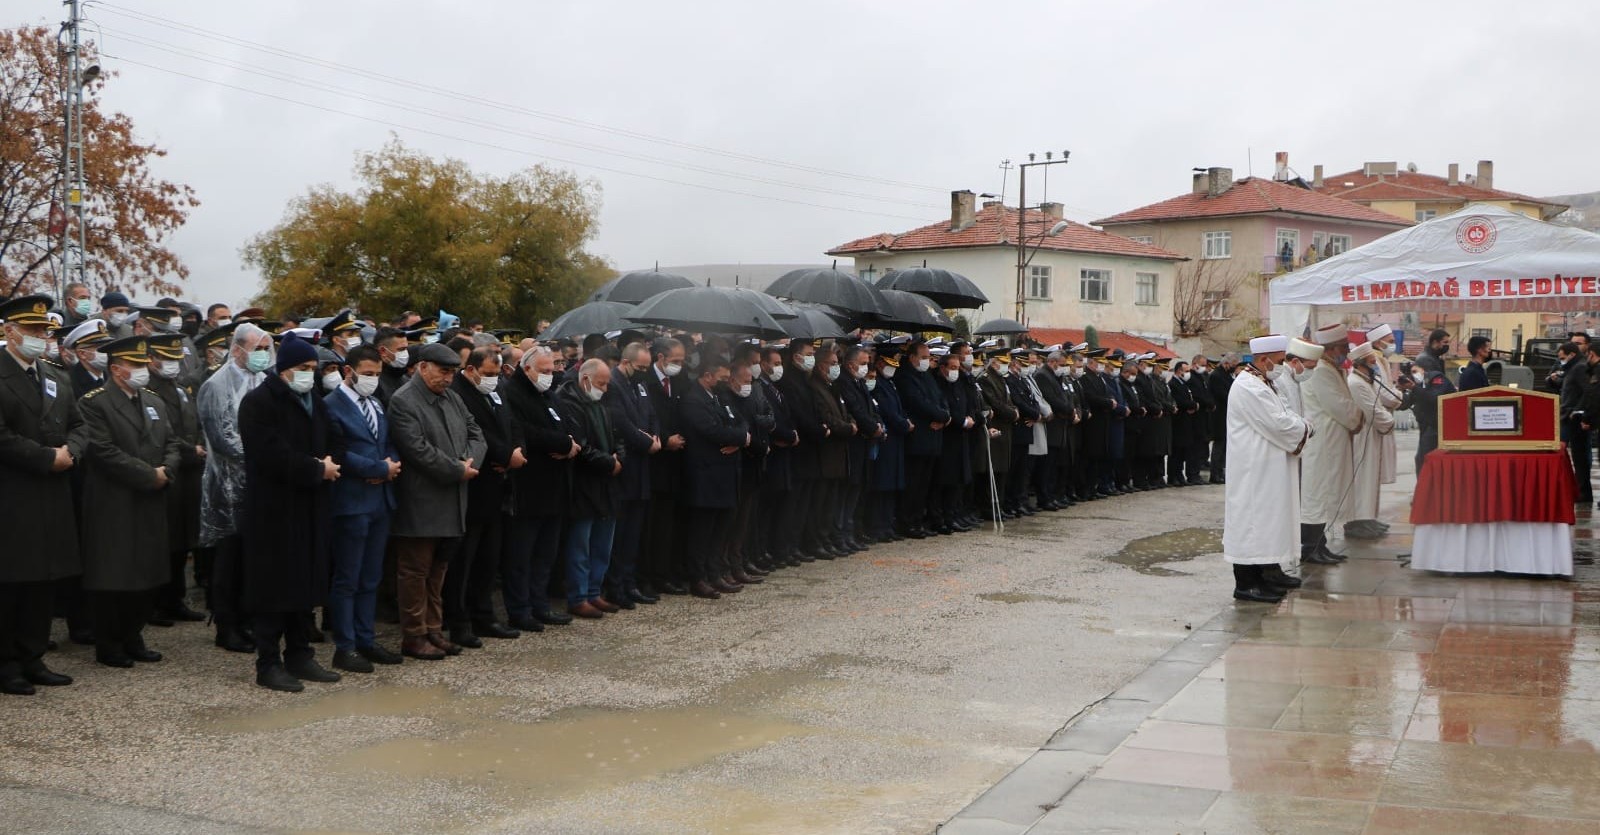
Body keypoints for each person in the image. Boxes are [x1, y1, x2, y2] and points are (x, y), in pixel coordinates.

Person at [236, 334, 343, 692]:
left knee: (305, 580)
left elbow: (334, 435)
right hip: (274, 509)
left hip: (310, 504)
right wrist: (317, 469)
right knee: (274, 585)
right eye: (302, 369)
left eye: (313, 369)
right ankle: (268, 662)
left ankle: (301, 653)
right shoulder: (259, 403)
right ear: (283, 370)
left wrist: (329, 463)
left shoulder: (314, 399)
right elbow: (270, 455)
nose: (309, 376)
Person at [76, 336, 183, 668]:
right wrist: (149, 475)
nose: (142, 370)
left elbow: (171, 441)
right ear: (117, 369)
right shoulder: (94, 403)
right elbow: (104, 451)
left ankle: (133, 635)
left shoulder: (153, 400)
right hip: (114, 500)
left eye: (143, 364)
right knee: (114, 574)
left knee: (147, 572)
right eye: (135, 365)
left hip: (150, 499)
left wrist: (167, 469)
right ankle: (110, 643)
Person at [0, 295, 83, 694]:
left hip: (53, 493)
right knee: (11, 581)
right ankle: (6, 663)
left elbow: (80, 424)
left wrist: (72, 452)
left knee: (43, 581)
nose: (38, 337)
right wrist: (45, 457)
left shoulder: (54, 376)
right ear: (8, 330)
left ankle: (33, 656)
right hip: (13, 495)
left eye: (42, 331)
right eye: (31, 330)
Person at [387, 342, 486, 660]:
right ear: (423, 366)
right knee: (415, 570)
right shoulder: (404, 401)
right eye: (444, 371)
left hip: (454, 497)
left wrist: (471, 462)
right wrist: (456, 470)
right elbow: (417, 450)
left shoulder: (452, 396)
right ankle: (413, 635)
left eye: (453, 372)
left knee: (439, 568)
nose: (448, 378)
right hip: (422, 500)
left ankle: (433, 629)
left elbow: (476, 433)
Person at [323, 344, 404, 673]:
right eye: (367, 375)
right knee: (348, 577)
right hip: (351, 501)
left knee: (371, 576)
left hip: (380, 501)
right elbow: (338, 452)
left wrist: (392, 464)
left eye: (377, 375)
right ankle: (346, 646)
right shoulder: (331, 406)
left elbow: (388, 442)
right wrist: (377, 469)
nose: (372, 380)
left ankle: (366, 639)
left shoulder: (376, 403)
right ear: (349, 372)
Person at [198, 323, 274, 653]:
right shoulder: (217, 384)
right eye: (257, 349)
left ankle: (248, 619)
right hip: (226, 486)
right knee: (227, 559)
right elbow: (223, 437)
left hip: (259, 482)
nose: (262, 355)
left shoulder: (263, 380)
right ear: (237, 349)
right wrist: (263, 454)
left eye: (266, 349)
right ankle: (226, 625)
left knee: (251, 558)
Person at [442, 346, 524, 645]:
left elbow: (512, 423)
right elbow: (476, 433)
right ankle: (459, 619)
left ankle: (484, 614)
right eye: (487, 374)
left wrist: (517, 450)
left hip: (498, 486)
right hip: (475, 485)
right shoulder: (460, 394)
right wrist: (503, 454)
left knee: (489, 558)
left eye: (496, 373)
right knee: (465, 560)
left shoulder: (497, 390)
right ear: (471, 369)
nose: (493, 379)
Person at [1222, 335, 1312, 603]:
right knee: (1251, 523)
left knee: (1267, 521)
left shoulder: (1264, 382)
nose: (1283, 366)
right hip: (1253, 469)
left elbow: (1286, 414)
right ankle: (1246, 584)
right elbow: (1279, 424)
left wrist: (1299, 423)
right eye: (1281, 361)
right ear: (1263, 360)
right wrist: (1306, 427)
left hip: (1268, 465)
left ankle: (1265, 575)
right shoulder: (1248, 386)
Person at [501, 347, 578, 630]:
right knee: (522, 554)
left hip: (554, 485)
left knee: (545, 553)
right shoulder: (514, 394)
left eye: (552, 370)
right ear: (527, 369)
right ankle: (520, 609)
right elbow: (525, 432)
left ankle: (540, 604)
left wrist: (570, 443)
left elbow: (569, 424)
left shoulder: (549, 394)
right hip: (529, 486)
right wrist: (562, 443)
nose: (550, 375)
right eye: (544, 371)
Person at [555, 359, 625, 617]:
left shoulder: (602, 401)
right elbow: (581, 445)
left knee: (602, 544)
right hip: (584, 483)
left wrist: (619, 457)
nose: (605, 389)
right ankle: (579, 596)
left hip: (607, 482)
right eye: (601, 383)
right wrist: (609, 462)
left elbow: (617, 435)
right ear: (585, 379)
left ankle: (595, 592)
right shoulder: (569, 402)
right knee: (580, 545)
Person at [145, 334, 207, 625]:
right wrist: (189, 449)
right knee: (166, 542)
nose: (173, 364)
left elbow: (194, 421)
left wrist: (199, 444)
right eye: (167, 359)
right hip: (171, 469)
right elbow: (163, 434)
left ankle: (176, 599)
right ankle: (157, 602)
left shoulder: (180, 388)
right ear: (152, 360)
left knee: (184, 540)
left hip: (191, 473)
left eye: (175, 359)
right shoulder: (149, 389)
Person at [679, 353, 751, 598]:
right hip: (705, 474)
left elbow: (741, 422)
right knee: (702, 530)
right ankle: (698, 578)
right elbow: (711, 430)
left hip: (726, 473)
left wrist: (740, 439)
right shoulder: (692, 400)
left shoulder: (720, 396)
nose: (724, 382)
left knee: (721, 528)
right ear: (707, 376)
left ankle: (715, 572)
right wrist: (739, 438)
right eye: (721, 378)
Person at [1300, 324, 1362, 565]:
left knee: (1327, 494)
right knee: (1318, 495)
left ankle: (1320, 544)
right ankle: (1310, 546)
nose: (1346, 351)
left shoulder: (1329, 367)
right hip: (1323, 442)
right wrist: (1357, 416)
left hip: (1332, 440)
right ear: (1332, 348)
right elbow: (1338, 404)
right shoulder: (1320, 371)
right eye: (1344, 347)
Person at [641, 338, 688, 594]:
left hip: (675, 461)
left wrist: (679, 438)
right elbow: (646, 416)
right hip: (653, 459)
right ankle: (645, 576)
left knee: (667, 524)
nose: (679, 366)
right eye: (676, 361)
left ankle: (663, 573)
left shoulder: (680, 381)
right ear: (661, 358)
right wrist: (665, 436)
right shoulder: (645, 381)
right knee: (650, 525)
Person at [1344, 342, 1395, 540]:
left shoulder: (1366, 380)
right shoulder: (1356, 383)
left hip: (1371, 435)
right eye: (1371, 362)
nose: (1375, 365)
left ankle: (1368, 519)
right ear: (1360, 363)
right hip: (1363, 436)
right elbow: (1373, 410)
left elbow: (1380, 403)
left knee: (1371, 479)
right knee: (1362, 480)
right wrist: (1389, 422)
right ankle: (1357, 522)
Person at [1364, 325, 1406, 489]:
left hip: (1385, 414)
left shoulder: (1382, 360)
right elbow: (1384, 393)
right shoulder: (1374, 361)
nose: (1392, 345)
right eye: (1390, 341)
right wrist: (1401, 397)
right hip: (1378, 417)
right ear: (1378, 342)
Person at [1558, 341, 1592, 503]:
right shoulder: (1572, 367)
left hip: (1574, 417)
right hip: (1568, 415)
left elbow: (1587, 391)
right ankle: (1580, 490)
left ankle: (1583, 492)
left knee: (1580, 456)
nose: (1561, 360)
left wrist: (1576, 410)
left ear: (1571, 354)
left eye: (1562, 357)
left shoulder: (1579, 367)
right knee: (1576, 455)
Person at [1207, 353, 1238, 483]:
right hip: (1219, 416)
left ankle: (1221, 472)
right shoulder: (1216, 376)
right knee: (1219, 446)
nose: (1234, 368)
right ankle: (1215, 474)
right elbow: (1224, 395)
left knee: (1224, 446)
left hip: (1226, 416)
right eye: (1233, 365)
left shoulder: (1226, 375)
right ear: (1226, 364)